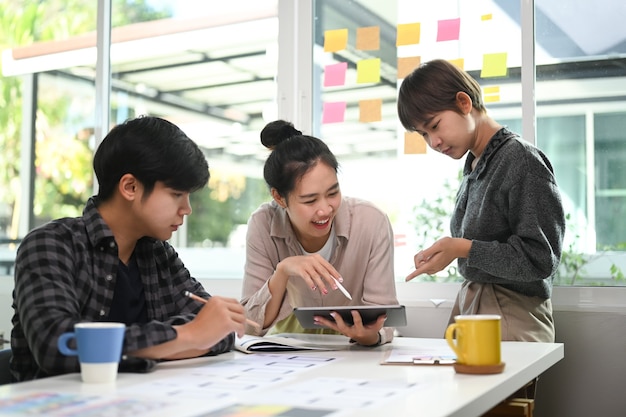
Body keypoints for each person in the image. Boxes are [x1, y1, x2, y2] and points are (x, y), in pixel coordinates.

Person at [10, 116, 246, 382]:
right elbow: (58, 346)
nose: (187, 209)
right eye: (176, 194)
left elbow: (220, 330)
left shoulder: (158, 253)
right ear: (130, 187)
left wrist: (191, 334)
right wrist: (187, 336)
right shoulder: (51, 245)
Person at [397, 59, 565, 343]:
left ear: (464, 102)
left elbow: (539, 258)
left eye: (435, 126)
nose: (433, 142)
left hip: (511, 313)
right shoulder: (477, 164)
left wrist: (462, 248)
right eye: (424, 134)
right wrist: (453, 252)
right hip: (477, 307)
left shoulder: (520, 159)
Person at [240, 120, 398, 346]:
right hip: (289, 346)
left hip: (356, 347)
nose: (325, 210)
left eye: (333, 193)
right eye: (309, 200)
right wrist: (282, 271)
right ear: (279, 198)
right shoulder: (263, 224)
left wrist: (369, 336)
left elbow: (384, 316)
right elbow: (249, 325)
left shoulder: (371, 222)